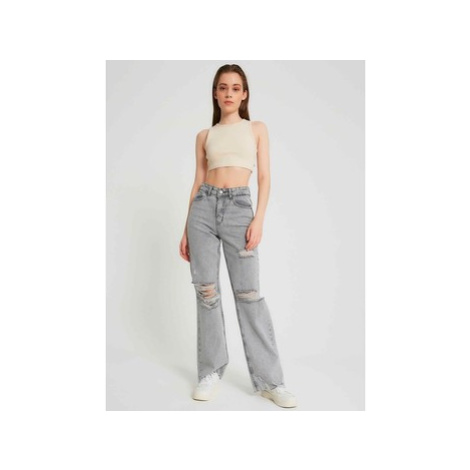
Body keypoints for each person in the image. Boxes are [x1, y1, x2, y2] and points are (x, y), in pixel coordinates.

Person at [179, 64, 297, 408]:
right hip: (203, 210)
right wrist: (185, 228)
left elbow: (264, 177)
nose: (228, 93)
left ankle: (270, 382)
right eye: (222, 87)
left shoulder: (256, 129)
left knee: (248, 295)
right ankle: (210, 371)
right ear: (215, 94)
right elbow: (198, 181)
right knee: (206, 292)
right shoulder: (205, 135)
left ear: (244, 94)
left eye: (235, 88)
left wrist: (258, 218)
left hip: (239, 208)